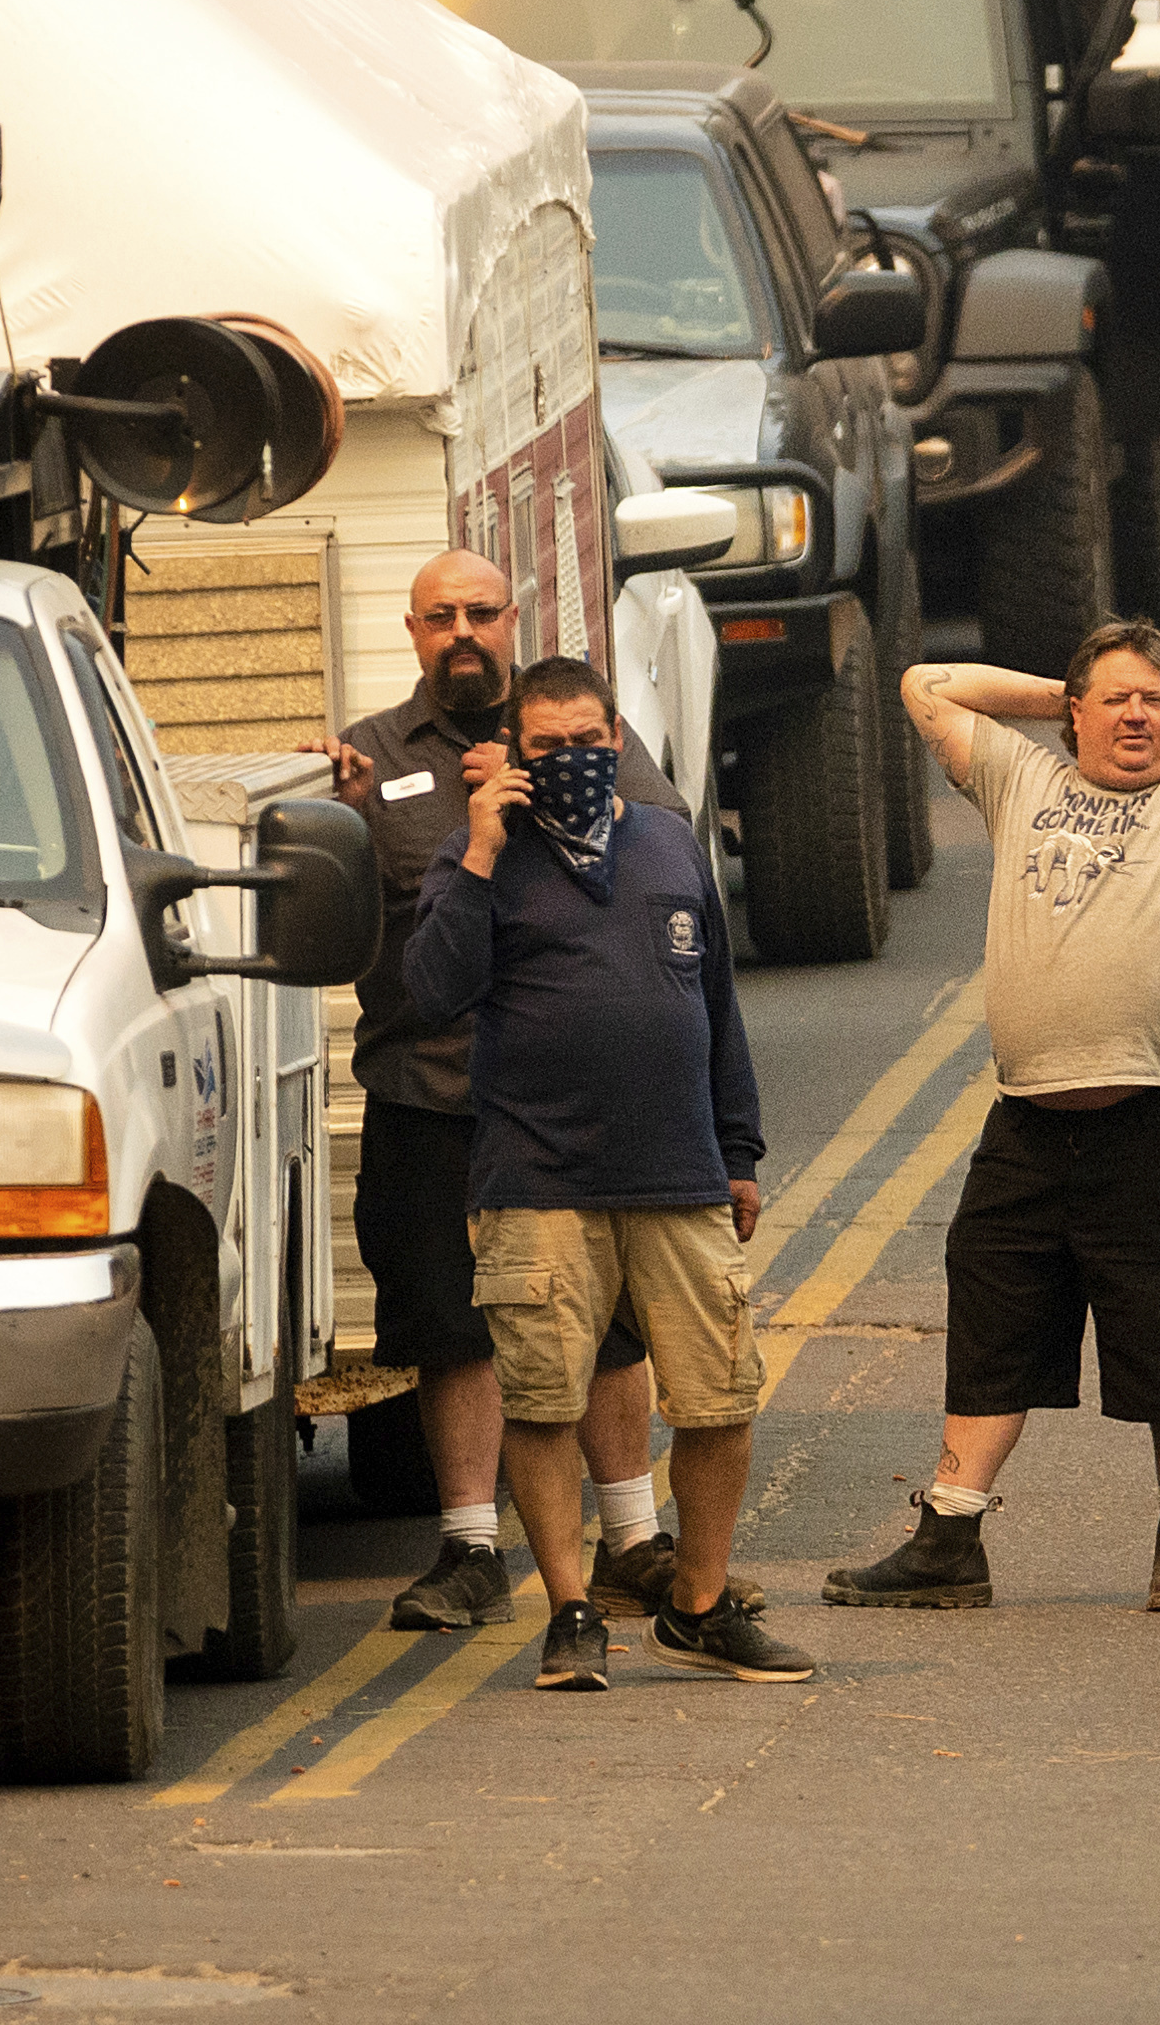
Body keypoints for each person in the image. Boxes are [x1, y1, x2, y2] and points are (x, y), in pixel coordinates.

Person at [826, 620, 1160, 1617]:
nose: (1137, 714)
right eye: (1115, 699)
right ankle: (950, 1535)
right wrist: (1063, 698)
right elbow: (930, 684)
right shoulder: (1025, 784)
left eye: (1155, 701)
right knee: (993, 1309)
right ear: (1073, 715)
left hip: (1159, 1119)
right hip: (1028, 1122)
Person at [314, 550, 718, 1632]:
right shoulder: (370, 761)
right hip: (431, 1095)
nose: (462, 631)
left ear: (512, 621)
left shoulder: (581, 745)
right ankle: (468, 1547)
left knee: (610, 1329)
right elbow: (351, 925)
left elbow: (661, 854)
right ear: (410, 632)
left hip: (568, 1107)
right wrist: (341, 816)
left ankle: (631, 1537)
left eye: (481, 613)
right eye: (439, 615)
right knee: (458, 1329)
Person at [407, 656, 806, 1691]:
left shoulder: (669, 842)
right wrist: (486, 846)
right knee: (541, 1403)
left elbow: (716, 1003)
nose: (574, 761)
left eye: (590, 742)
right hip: (536, 1182)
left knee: (718, 1399)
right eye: (548, 748)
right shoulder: (476, 856)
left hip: (679, 1176)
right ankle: (571, 1610)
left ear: (618, 735)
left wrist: (740, 1152)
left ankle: (701, 1606)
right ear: (513, 754)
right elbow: (434, 991)